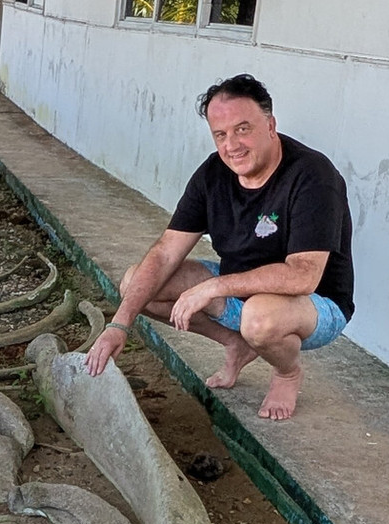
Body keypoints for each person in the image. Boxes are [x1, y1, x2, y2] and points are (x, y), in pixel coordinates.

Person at [85, 74, 355, 421]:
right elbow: (167, 251)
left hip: (315, 305)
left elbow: (303, 275)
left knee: (259, 318)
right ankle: (235, 343)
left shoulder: (313, 175)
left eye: (243, 129)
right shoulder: (213, 174)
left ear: (270, 125)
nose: (232, 145)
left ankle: (287, 372)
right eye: (220, 135)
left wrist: (213, 287)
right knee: (137, 284)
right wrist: (119, 324)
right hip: (240, 291)